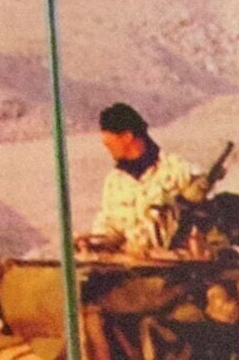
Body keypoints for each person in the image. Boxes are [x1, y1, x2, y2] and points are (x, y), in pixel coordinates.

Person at [84, 102, 209, 258]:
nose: (108, 149)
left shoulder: (178, 171)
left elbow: (205, 224)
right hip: (130, 267)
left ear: (127, 137)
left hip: (176, 267)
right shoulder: (115, 182)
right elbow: (110, 225)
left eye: (110, 143)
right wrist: (96, 242)